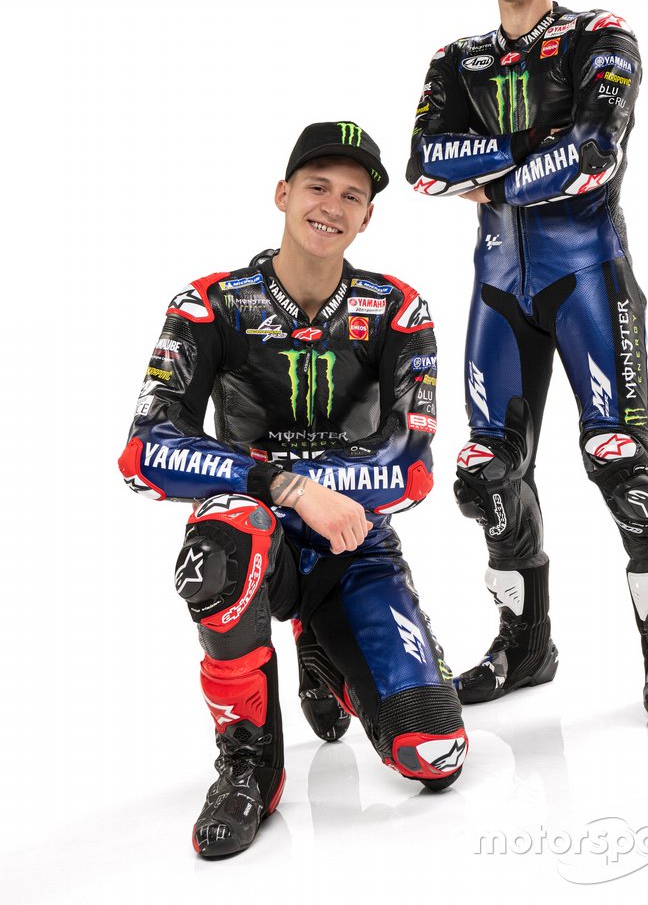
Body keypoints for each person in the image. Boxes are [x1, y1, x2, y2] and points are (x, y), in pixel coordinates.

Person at [119, 121, 467, 859]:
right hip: (260, 531)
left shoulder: (398, 308)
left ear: (367, 217)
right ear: (282, 194)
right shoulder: (209, 304)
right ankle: (248, 763)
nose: (331, 206)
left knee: (434, 755)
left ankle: (323, 649)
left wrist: (311, 491)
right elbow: (144, 450)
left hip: (351, 542)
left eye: (352, 195)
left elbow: (410, 465)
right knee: (223, 537)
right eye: (317, 187)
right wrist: (287, 485)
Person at [406, 0, 648, 722]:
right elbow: (423, 163)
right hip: (499, 288)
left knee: (619, 460)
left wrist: (490, 170)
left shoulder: (600, 36)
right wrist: (536, 149)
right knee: (485, 473)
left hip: (588, 279)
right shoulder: (455, 60)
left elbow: (593, 152)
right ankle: (524, 645)